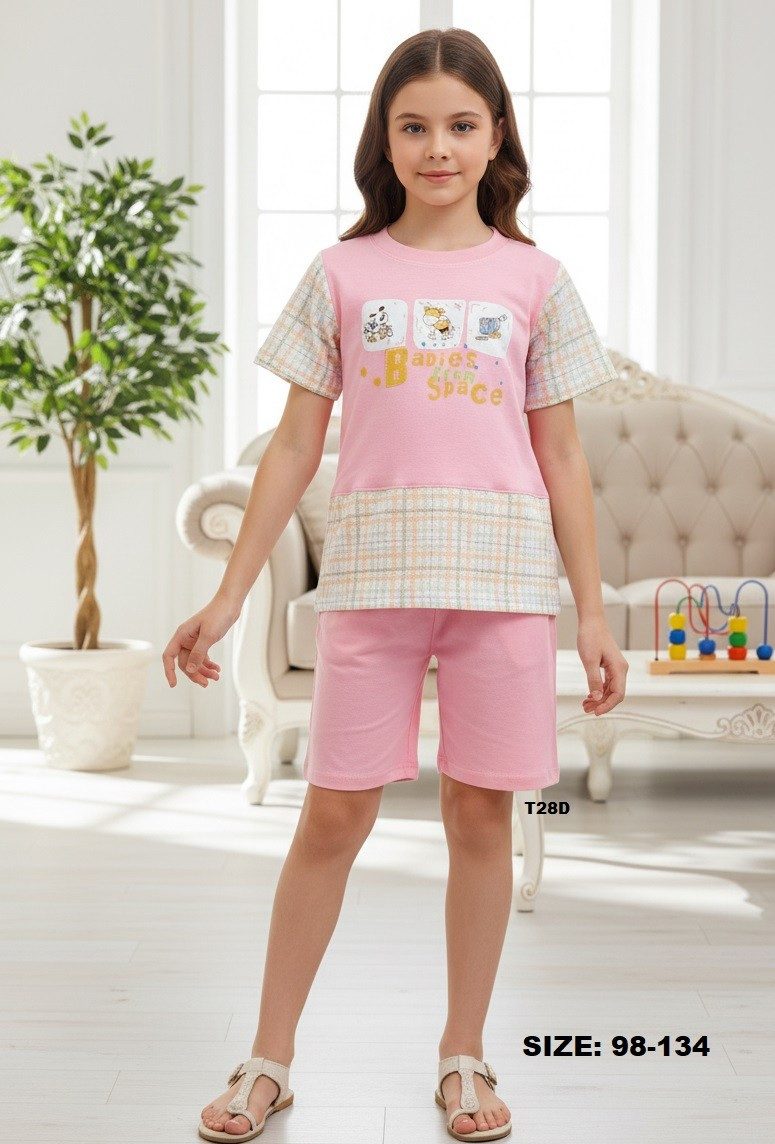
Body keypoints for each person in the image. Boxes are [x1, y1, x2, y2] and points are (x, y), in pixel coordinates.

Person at [164, 26, 629, 1143]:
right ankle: (267, 1060)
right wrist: (230, 598)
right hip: (373, 581)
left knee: (481, 814)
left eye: (460, 125)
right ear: (385, 138)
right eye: (413, 127)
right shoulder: (343, 273)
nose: (437, 148)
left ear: (496, 135)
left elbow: (564, 457)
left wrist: (592, 613)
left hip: (500, 586)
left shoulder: (535, 280)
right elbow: (292, 448)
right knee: (333, 814)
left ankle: (464, 1057)